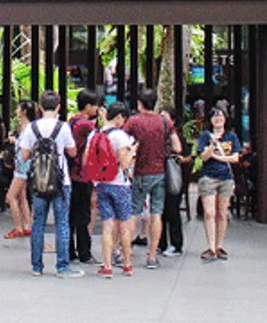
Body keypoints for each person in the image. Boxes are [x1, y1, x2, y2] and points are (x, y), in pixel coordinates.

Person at [18, 90, 82, 277]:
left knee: (38, 223)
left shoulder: (32, 127)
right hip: (61, 181)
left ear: (39, 106)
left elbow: (24, 155)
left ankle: (37, 266)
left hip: (38, 181)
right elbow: (72, 152)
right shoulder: (63, 127)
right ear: (59, 107)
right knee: (62, 222)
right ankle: (62, 266)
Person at [122, 88, 182, 270]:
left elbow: (124, 143)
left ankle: (126, 255)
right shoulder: (164, 121)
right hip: (160, 173)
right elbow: (177, 147)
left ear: (140, 104)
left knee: (134, 213)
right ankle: (152, 256)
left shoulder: (134, 121)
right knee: (157, 213)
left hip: (140, 172)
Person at [92, 101, 136, 278]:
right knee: (124, 225)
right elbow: (125, 164)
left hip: (102, 184)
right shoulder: (121, 137)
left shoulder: (96, 134)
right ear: (119, 117)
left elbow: (89, 160)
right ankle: (127, 264)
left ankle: (107, 265)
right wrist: (132, 153)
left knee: (107, 226)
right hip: (120, 184)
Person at [196, 107, 241, 262]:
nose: (218, 119)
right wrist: (211, 147)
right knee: (209, 213)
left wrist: (218, 157)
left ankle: (220, 245)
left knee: (222, 213)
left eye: (221, 116)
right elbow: (203, 156)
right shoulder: (205, 136)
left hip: (226, 177)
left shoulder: (231, 136)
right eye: (214, 116)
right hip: (208, 177)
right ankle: (211, 247)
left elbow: (235, 158)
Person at [68, 89, 102, 265]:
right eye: (95, 105)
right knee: (83, 214)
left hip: (70, 174)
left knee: (71, 214)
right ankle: (84, 251)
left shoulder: (72, 121)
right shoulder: (86, 125)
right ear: (88, 106)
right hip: (82, 174)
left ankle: (70, 250)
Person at [158, 106, 192, 258]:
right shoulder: (158, 135)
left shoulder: (177, 137)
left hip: (173, 177)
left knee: (172, 210)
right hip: (159, 176)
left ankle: (176, 244)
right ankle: (161, 243)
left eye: (165, 117)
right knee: (159, 211)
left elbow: (187, 156)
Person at [3, 100, 36, 239]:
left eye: (18, 108)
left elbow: (25, 147)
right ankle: (28, 225)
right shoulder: (27, 127)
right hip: (22, 165)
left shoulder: (28, 128)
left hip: (23, 166)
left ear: (23, 112)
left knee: (10, 196)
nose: (16, 110)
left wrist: (14, 142)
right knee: (22, 196)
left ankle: (18, 227)